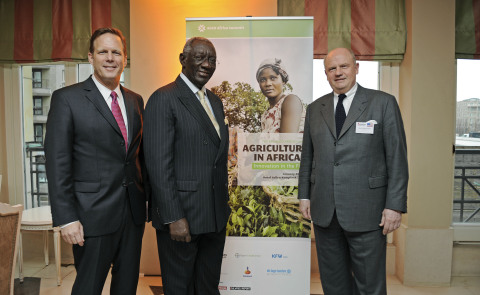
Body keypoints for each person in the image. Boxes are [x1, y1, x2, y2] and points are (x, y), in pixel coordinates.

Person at [45, 27, 148, 294]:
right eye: (103, 52)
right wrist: (66, 218)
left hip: (132, 215)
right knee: (88, 288)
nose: (110, 58)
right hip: (91, 217)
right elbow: (58, 163)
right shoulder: (67, 99)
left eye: (116, 52)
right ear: (90, 57)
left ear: (125, 59)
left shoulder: (135, 101)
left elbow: (139, 158)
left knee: (126, 287)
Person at [298, 48, 408, 295]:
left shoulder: (383, 103)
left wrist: (395, 206)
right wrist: (304, 195)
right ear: (325, 73)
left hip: (368, 212)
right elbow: (308, 157)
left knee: (369, 285)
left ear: (356, 67)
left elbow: (397, 159)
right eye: (332, 69)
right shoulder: (315, 108)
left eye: (344, 66)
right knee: (334, 285)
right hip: (325, 211)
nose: (338, 73)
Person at [143, 37, 230, 295]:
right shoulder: (163, 98)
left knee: (207, 287)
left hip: (214, 217)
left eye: (211, 59)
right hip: (182, 218)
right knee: (179, 289)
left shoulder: (215, 102)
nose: (206, 64)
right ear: (183, 59)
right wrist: (173, 217)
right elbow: (158, 164)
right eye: (199, 57)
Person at [256, 58, 305, 133]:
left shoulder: (290, 101)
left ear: (283, 81)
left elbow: (287, 142)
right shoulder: (265, 114)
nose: (268, 83)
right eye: (262, 80)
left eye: (273, 78)